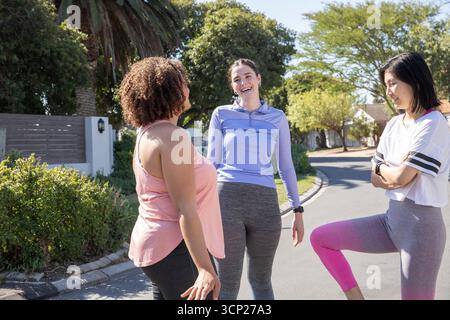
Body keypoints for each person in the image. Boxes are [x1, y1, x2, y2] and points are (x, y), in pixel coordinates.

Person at [310, 52, 450, 300]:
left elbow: (400, 178)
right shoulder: (395, 124)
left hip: (422, 231)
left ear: (415, 80)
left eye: (393, 83)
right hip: (390, 221)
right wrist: (387, 170)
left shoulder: (433, 123)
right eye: (386, 85)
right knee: (321, 238)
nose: (389, 91)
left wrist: (385, 169)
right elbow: (375, 176)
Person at [120, 57, 225, 300]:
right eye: (182, 83)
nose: (187, 88)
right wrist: (205, 269)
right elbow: (185, 209)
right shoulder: (174, 137)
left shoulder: (146, 134)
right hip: (176, 248)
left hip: (154, 249)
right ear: (168, 91)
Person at [207, 58, 305, 300]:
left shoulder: (277, 117)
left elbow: (285, 166)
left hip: (265, 205)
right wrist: (202, 206)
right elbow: (212, 163)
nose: (243, 82)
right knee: (227, 284)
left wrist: (297, 209)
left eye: (248, 76)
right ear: (233, 86)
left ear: (259, 78)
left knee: (261, 281)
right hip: (226, 199)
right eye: (237, 79)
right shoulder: (221, 114)